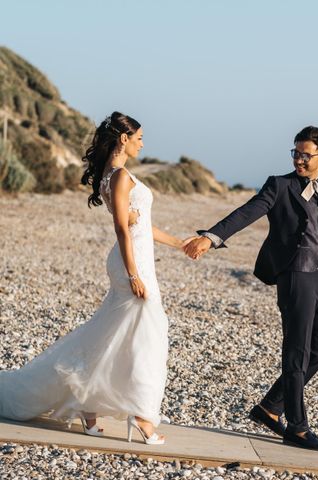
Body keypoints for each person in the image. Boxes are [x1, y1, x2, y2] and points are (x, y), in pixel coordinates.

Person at [0, 111, 186, 445]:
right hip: (133, 263)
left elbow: (138, 224)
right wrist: (133, 274)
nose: (143, 143)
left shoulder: (112, 175)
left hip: (138, 259)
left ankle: (88, 407)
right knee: (146, 335)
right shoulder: (120, 176)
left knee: (114, 334)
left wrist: (180, 243)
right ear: (124, 139)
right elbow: (121, 229)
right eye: (140, 138)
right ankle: (142, 417)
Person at [184, 125, 318, 451]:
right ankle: (296, 426)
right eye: (295, 153)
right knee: (297, 352)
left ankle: (270, 407)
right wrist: (210, 238)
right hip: (296, 274)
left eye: (305, 155)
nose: (299, 160)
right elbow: (246, 212)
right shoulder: (280, 186)